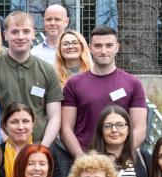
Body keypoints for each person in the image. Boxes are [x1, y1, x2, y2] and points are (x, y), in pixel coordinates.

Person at [61, 26, 149, 164]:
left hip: (121, 163)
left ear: (117, 47)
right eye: (98, 46)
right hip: (85, 161)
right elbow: (66, 129)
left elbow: (140, 128)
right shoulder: (74, 84)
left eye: (109, 45)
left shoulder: (133, 83)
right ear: (90, 48)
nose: (103, 51)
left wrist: (118, 157)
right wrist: (83, 160)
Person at [0, 11, 63, 147]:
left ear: (34, 34)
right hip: (3, 148)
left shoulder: (47, 70)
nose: (21, 36)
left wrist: (42, 147)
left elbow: (55, 116)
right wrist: (9, 144)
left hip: (41, 148)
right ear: (5, 35)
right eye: (15, 32)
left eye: (26, 31)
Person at [90, 105, 148, 177]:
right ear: (100, 131)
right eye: (108, 126)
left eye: (120, 125)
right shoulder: (89, 161)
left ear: (129, 129)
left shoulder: (144, 159)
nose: (114, 130)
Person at [0, 103, 35, 177]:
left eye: (25, 121)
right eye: (14, 122)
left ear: (32, 124)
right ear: (5, 126)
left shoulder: (45, 153)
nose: (20, 127)